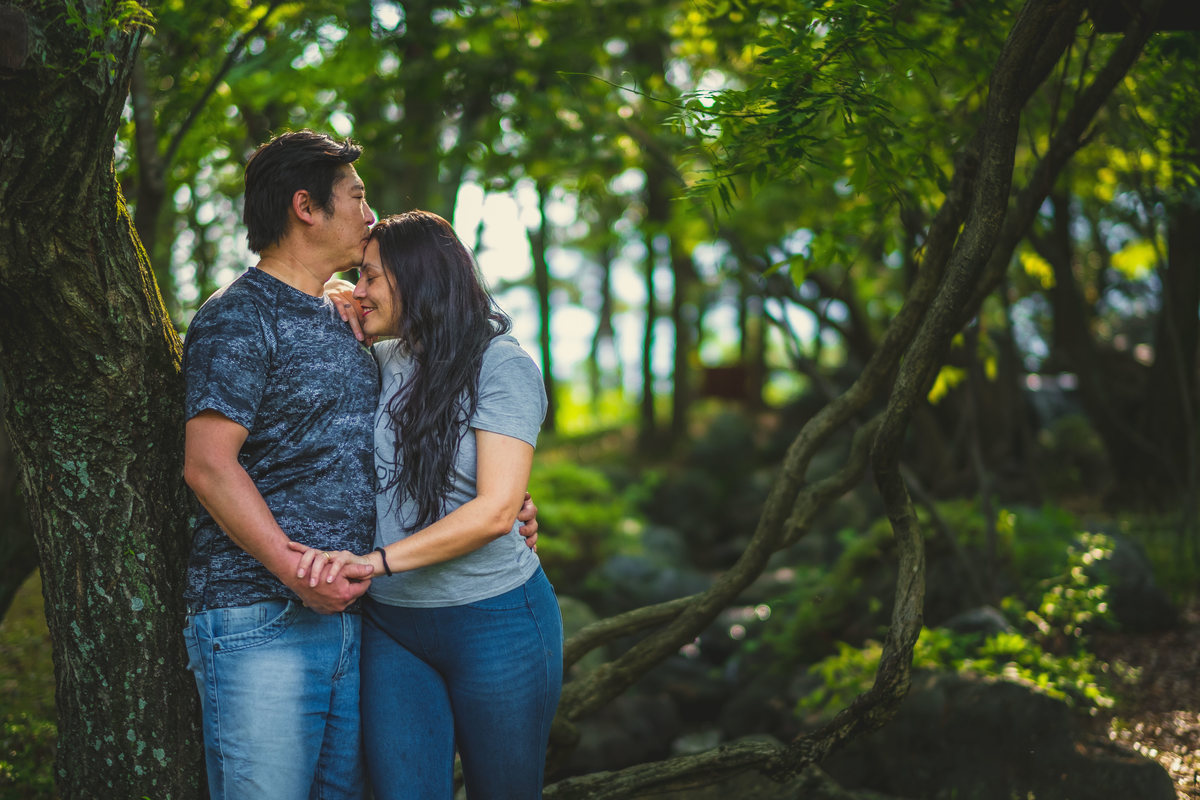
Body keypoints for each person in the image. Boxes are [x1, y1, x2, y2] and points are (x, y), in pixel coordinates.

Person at [180, 131, 538, 799]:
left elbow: (419, 437)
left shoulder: (348, 322)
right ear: (306, 208)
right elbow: (207, 467)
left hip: (353, 615)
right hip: (261, 616)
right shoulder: (236, 317)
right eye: (357, 197)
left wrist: (501, 503)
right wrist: (295, 570)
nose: (370, 214)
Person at [291, 211, 563, 800]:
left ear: (420, 278)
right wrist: (335, 293)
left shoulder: (503, 365)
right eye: (356, 277)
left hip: (498, 624)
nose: (360, 289)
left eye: (371, 277)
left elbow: (495, 511)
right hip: (396, 629)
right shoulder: (383, 361)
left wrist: (377, 562)